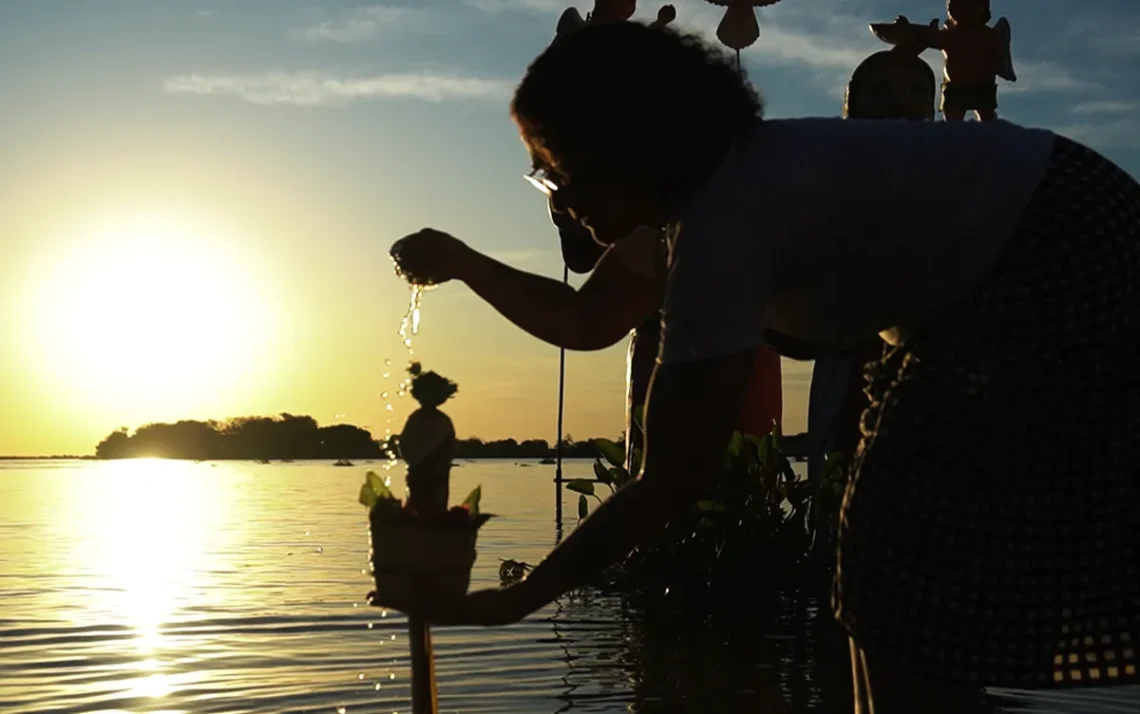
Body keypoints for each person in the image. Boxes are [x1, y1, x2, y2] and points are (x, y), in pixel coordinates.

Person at [388, 21, 1140, 713]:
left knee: (897, 568)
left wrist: (519, 600)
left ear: (625, 144)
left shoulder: (725, 217)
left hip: (1062, 252)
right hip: (1050, 238)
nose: (560, 197)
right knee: (882, 569)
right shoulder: (709, 201)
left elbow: (674, 478)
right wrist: (460, 261)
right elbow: (586, 321)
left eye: (561, 168)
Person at [808, 49, 937, 480]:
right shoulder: (826, 186)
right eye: (881, 91)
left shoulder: (963, 182)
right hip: (851, 371)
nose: (901, 103)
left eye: (917, 91)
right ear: (853, 107)